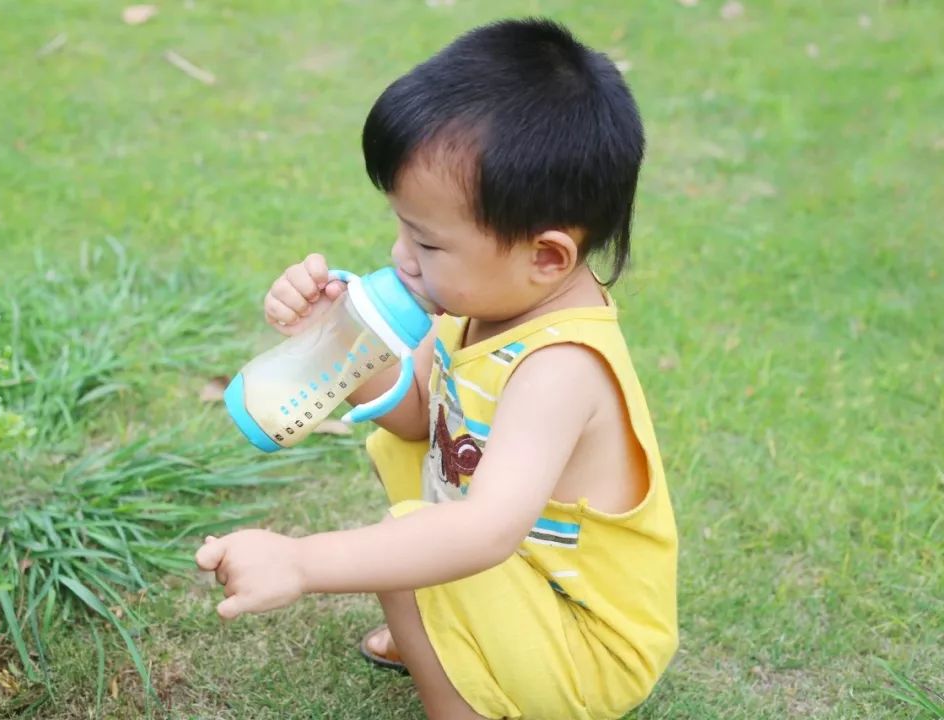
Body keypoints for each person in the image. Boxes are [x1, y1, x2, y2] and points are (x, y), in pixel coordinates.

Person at [196, 17, 678, 720]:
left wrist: (301, 563)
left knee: (410, 543)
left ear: (546, 257)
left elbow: (482, 533)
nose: (401, 256)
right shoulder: (479, 298)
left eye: (426, 240)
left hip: (585, 646)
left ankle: (459, 697)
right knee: (406, 464)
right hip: (522, 591)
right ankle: (452, 633)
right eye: (400, 226)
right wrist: (339, 343)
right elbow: (418, 412)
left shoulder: (560, 368)